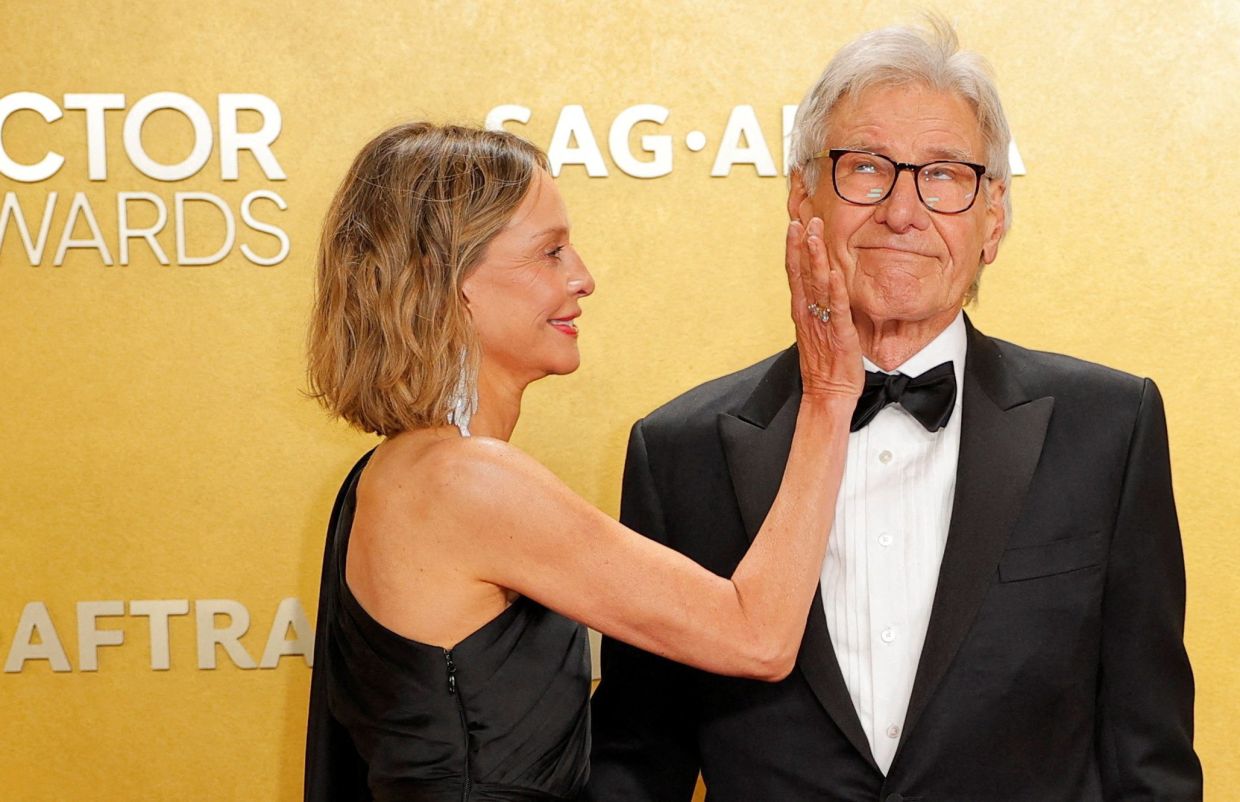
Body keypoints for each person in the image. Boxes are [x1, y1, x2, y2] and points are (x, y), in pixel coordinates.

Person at [586, 18, 1203, 802]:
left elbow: (1148, 760)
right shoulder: (677, 452)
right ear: (800, 196)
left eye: (944, 175)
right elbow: (639, 760)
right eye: (867, 168)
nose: (903, 212)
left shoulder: (1112, 428)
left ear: (995, 217)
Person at [302, 122, 863, 801]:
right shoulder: (465, 483)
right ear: (451, 282)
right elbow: (757, 636)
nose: (583, 278)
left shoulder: (394, 475)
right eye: (550, 253)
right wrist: (829, 399)